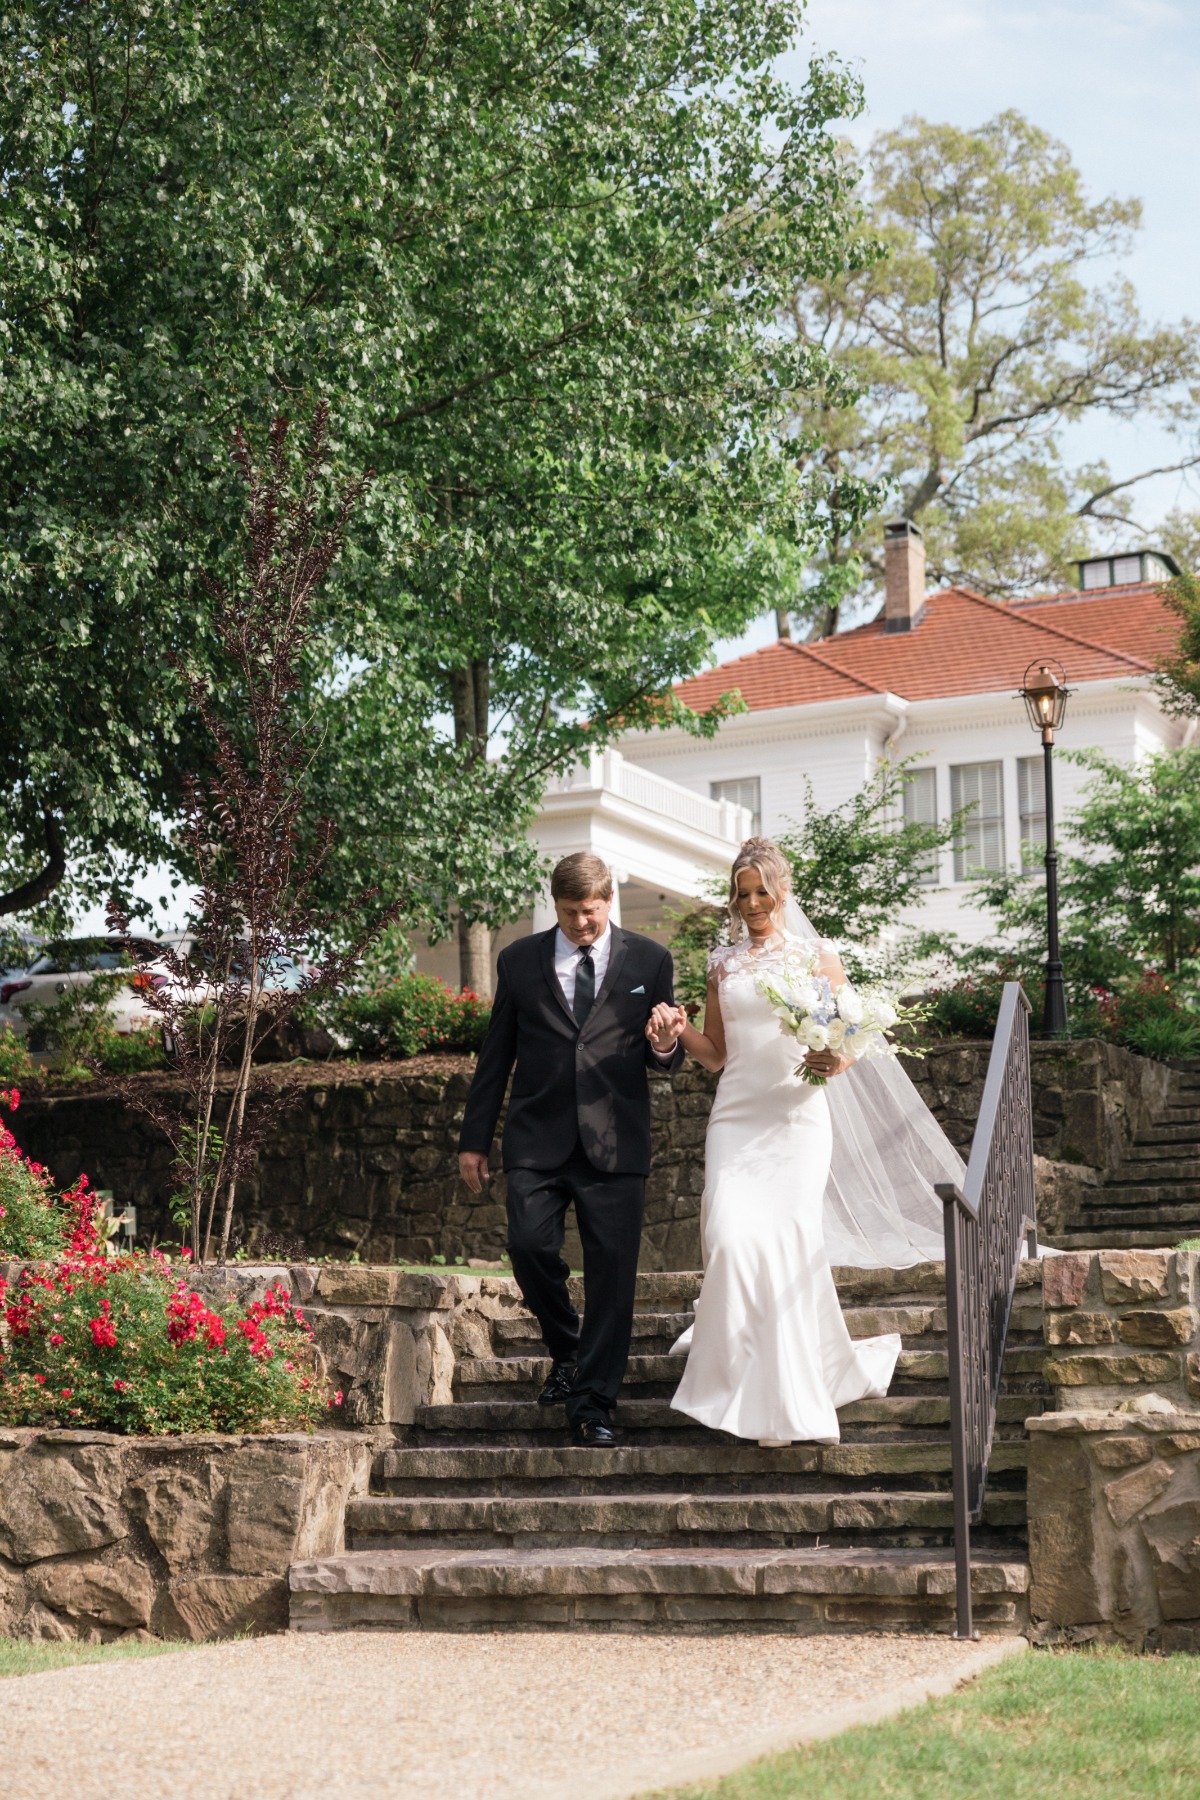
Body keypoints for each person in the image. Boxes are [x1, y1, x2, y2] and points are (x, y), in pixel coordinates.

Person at [654, 837, 960, 1447]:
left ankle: (788, 1399)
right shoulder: (723, 964)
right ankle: (739, 1377)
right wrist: (678, 1030)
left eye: (761, 892)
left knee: (788, 1241)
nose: (752, 904)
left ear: (782, 892)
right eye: (742, 895)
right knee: (730, 1239)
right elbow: (715, 1056)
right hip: (737, 1119)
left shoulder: (815, 955)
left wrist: (832, 1061)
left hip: (797, 1120)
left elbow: (849, 1043)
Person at [458, 852, 684, 1446]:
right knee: (528, 1245)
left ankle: (593, 1405)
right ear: (554, 905)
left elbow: (666, 1055)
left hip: (617, 1140)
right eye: (568, 912)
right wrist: (474, 1141)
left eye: (590, 911)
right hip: (538, 1136)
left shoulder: (651, 960)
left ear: (610, 900)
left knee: (613, 1278)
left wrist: (663, 1046)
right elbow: (495, 1054)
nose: (581, 923)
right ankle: (566, 1349)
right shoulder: (519, 960)